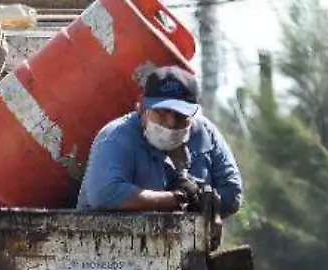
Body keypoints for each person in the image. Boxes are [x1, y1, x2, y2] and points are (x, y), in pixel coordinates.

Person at [77, 65, 243, 217]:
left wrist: (201, 198)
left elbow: (233, 192)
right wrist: (176, 199)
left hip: (186, 244)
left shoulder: (205, 134)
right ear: (141, 107)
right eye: (162, 113)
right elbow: (105, 193)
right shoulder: (116, 137)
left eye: (180, 116)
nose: (171, 123)